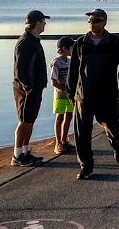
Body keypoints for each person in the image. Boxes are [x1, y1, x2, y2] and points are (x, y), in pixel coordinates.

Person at [66, 8, 119, 179]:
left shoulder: (115, 42)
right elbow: (73, 70)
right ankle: (86, 166)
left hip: (107, 95)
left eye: (95, 20)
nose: (91, 23)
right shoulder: (80, 43)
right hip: (84, 96)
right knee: (82, 134)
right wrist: (71, 92)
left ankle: (117, 145)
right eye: (89, 20)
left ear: (104, 22)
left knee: (113, 127)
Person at [12, 10, 50, 167]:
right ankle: (17, 155)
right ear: (37, 23)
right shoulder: (25, 42)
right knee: (24, 121)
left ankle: (25, 151)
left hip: (36, 87)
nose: (45, 24)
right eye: (43, 21)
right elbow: (20, 69)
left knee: (30, 120)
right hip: (27, 89)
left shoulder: (34, 40)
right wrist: (27, 87)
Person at [50, 36, 76, 154]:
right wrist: (64, 89)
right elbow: (54, 81)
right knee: (59, 117)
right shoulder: (56, 63)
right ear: (65, 48)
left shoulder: (70, 61)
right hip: (60, 95)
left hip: (70, 95)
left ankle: (65, 140)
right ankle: (58, 142)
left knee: (69, 116)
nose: (72, 50)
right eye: (71, 47)